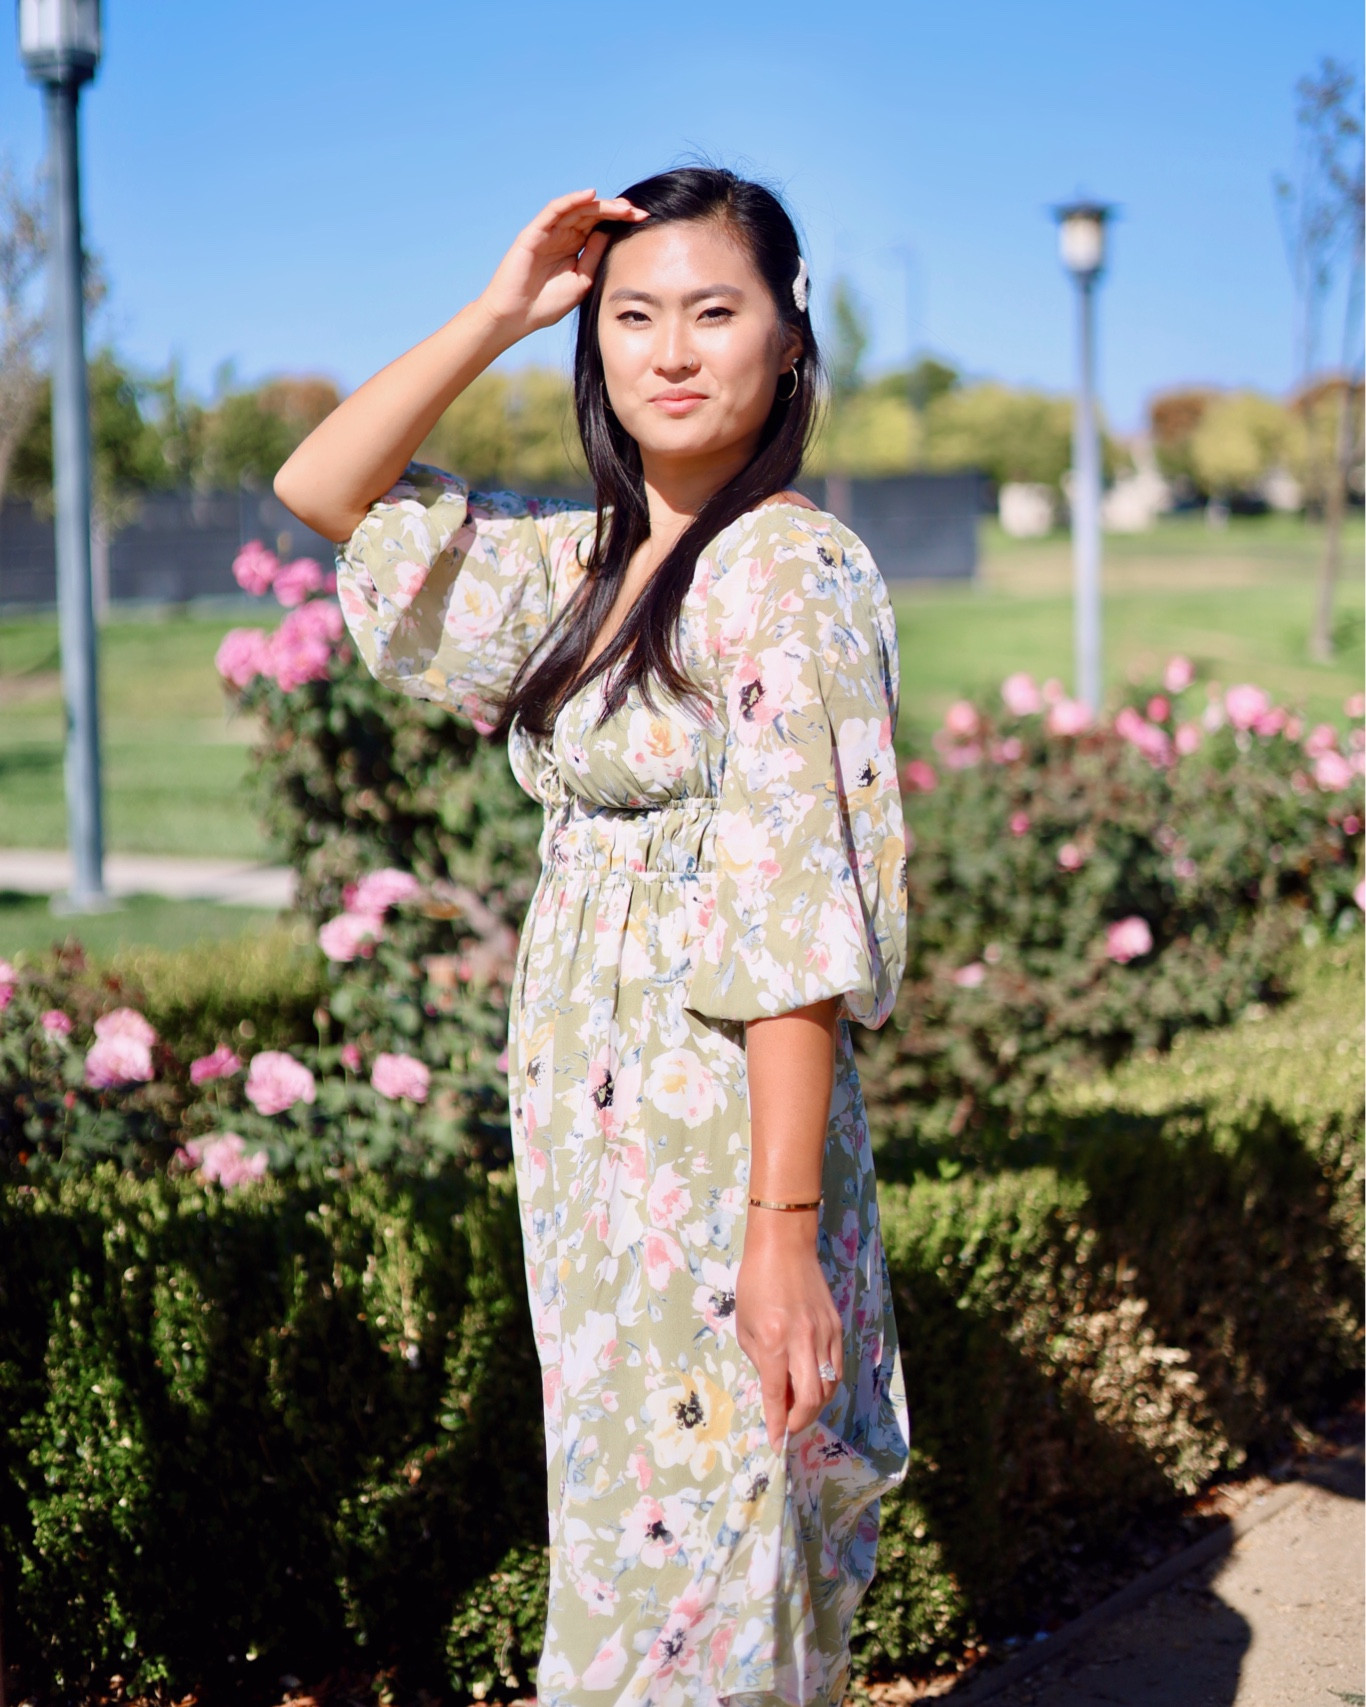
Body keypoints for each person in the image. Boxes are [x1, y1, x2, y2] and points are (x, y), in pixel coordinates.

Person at [275, 166, 910, 1707]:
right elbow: (323, 488)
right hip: (594, 1160)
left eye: (713, 312)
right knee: (640, 1548)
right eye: (633, 317)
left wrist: (778, 1237)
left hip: (716, 1154)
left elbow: (794, 920)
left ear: (787, 339)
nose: (671, 351)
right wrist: (501, 309)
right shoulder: (578, 566)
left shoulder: (789, 571)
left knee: (716, 1569)